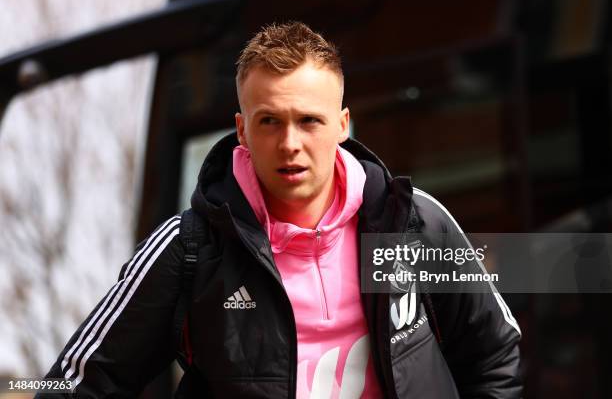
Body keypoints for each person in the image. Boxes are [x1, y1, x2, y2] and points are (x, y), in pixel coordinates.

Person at [40, 21, 522, 398]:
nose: (289, 144)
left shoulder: (416, 223)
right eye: (269, 120)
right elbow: (71, 384)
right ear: (242, 130)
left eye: (309, 120)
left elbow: (494, 352)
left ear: (341, 125)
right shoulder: (188, 248)